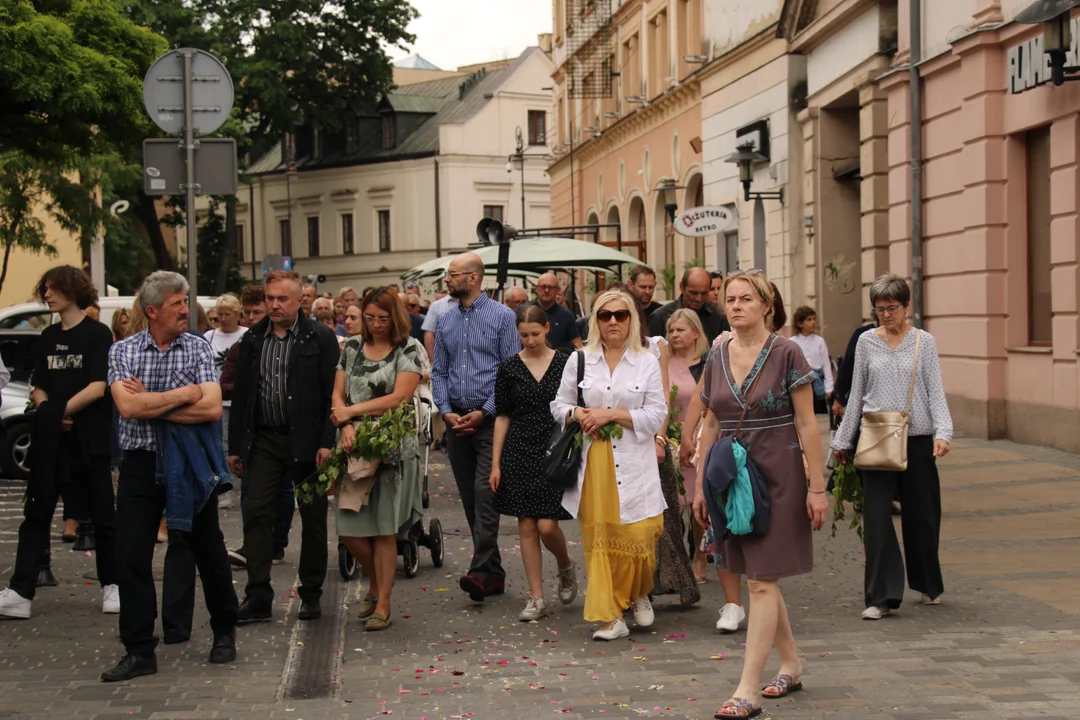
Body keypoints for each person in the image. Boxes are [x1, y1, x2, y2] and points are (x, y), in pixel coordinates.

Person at [692, 270, 828, 717]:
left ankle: (746, 690)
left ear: (766, 305)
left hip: (780, 471)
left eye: (746, 299)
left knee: (760, 580)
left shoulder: (788, 352)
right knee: (759, 574)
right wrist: (698, 485)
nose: (735, 306)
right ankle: (791, 663)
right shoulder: (717, 353)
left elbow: (808, 422)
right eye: (729, 298)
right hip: (731, 476)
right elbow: (710, 422)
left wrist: (817, 487)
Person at [103, 271, 239, 682]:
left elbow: (212, 409)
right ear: (153, 310)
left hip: (188, 462)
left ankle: (224, 632)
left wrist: (151, 401)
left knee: (208, 549)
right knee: (132, 557)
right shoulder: (123, 351)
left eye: (185, 301)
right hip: (140, 465)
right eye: (178, 303)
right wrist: (183, 394)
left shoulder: (197, 347)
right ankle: (140, 649)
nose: (187, 309)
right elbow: (127, 409)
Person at [832, 274, 953, 620]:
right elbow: (856, 394)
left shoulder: (923, 342)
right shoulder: (867, 341)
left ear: (905, 307)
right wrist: (843, 440)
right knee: (876, 518)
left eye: (891, 308)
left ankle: (928, 582)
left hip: (917, 438)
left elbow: (935, 390)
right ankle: (880, 596)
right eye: (879, 309)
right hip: (875, 437)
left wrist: (944, 432)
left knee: (922, 516)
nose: (884, 315)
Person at [0, 266, 116, 621]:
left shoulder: (98, 334)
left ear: (73, 290)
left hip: (89, 441)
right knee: (36, 514)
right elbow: (37, 384)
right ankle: (20, 591)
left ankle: (114, 586)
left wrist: (60, 411)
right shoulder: (47, 337)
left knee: (103, 517)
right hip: (51, 445)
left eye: (54, 288)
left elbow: (99, 386)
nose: (47, 294)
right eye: (45, 288)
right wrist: (50, 412)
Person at [552, 290, 667, 640]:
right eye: (605, 315)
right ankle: (611, 616)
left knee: (643, 535)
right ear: (595, 321)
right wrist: (579, 413)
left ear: (632, 319)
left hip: (635, 462)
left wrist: (613, 414)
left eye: (620, 314)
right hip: (595, 461)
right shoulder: (579, 360)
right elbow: (559, 405)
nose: (613, 321)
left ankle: (639, 591)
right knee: (600, 540)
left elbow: (657, 413)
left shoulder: (646, 360)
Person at [228, 270, 339, 623]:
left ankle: (311, 593)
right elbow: (242, 396)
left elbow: (330, 396)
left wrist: (327, 443)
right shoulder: (253, 340)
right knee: (257, 513)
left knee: (314, 519)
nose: (273, 305)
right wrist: (235, 446)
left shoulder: (319, 338)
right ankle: (258, 595)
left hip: (307, 442)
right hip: (263, 439)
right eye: (270, 298)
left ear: (299, 301)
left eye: (282, 299)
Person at [331, 288, 424, 631]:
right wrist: (345, 424)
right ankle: (375, 581)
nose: (375, 324)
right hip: (354, 445)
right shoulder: (352, 347)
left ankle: (383, 602)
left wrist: (350, 412)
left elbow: (399, 397)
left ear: (394, 316)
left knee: (384, 528)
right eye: (369, 317)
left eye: (382, 318)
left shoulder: (408, 348)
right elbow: (337, 393)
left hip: (391, 446)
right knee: (350, 528)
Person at [433, 252, 521, 602]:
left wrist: (485, 412)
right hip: (456, 420)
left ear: (472, 278)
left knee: (486, 494)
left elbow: (511, 371)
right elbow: (439, 370)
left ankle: (479, 570)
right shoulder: (445, 319)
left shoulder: (503, 317)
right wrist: (445, 410)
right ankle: (492, 573)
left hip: (490, 422)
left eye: (452, 275)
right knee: (471, 499)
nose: (447, 280)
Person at [489, 305, 578, 621]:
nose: (529, 340)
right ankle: (536, 597)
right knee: (526, 524)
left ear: (547, 329)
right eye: (524, 335)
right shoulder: (509, 367)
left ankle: (565, 563)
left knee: (547, 524)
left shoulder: (567, 362)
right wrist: (496, 464)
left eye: (535, 334)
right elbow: (502, 416)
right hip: (519, 448)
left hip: (556, 448)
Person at [223, 284, 294, 567]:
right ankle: (253, 545)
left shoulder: (293, 340)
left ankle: (277, 543)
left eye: (257, 311)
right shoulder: (243, 346)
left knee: (285, 489)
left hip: (288, 427)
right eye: (248, 312)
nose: (252, 317)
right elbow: (230, 387)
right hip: (256, 429)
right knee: (252, 490)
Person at [665, 308, 710, 581]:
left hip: (697, 439)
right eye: (671, 330)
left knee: (697, 504)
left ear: (695, 332)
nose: (674, 335)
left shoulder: (705, 363)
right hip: (667, 438)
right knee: (673, 506)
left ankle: (700, 555)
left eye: (680, 330)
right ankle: (676, 561)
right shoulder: (662, 361)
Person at [648, 267, 729, 343]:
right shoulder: (660, 317)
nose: (699, 298)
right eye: (694, 293)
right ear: (681, 287)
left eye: (704, 293)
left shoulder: (718, 317)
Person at [528, 272, 582, 355]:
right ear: (537, 288)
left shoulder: (566, 315)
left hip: (559, 364)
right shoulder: (524, 312)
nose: (546, 290)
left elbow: (577, 344)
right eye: (543, 287)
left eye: (550, 287)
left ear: (558, 290)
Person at [790, 305, 833, 409]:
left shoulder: (819, 341)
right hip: (799, 382)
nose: (813, 322)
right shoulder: (792, 342)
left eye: (814, 319)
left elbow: (826, 365)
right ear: (800, 323)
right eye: (809, 320)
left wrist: (829, 388)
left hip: (816, 381)